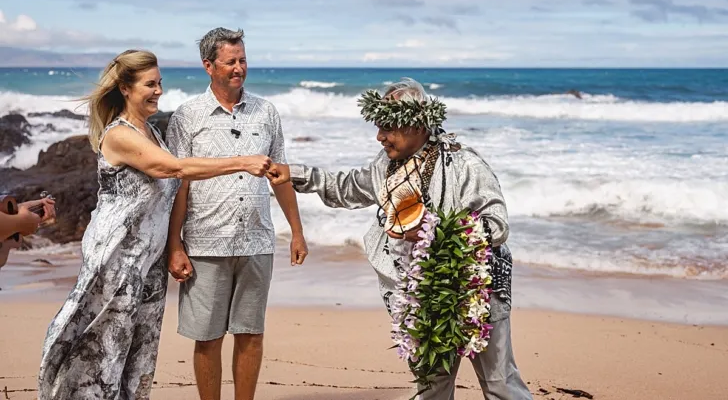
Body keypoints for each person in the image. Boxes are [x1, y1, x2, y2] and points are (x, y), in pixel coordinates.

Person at [267, 78, 532, 399]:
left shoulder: (464, 164)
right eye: (379, 127)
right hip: (418, 295)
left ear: (418, 125)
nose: (380, 137)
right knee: (432, 386)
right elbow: (347, 187)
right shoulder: (386, 165)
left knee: (499, 383)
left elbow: (497, 224)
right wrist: (295, 173)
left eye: (389, 128)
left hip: (477, 292)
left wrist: (431, 231)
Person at [38, 49, 273, 400]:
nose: (159, 91)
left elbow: (172, 190)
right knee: (103, 351)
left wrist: (174, 246)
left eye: (160, 83)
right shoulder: (120, 135)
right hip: (117, 259)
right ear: (125, 88)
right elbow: (174, 169)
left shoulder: (150, 132)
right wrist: (241, 161)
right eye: (150, 84)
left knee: (140, 353)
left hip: (148, 264)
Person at [165, 27, 308, 400]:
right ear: (208, 65)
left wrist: (296, 230)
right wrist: (174, 245)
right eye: (231, 62)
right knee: (207, 337)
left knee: (251, 333)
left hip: (257, 240)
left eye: (243, 60)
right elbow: (178, 183)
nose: (239, 68)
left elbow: (280, 176)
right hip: (204, 243)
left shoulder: (266, 113)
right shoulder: (186, 116)